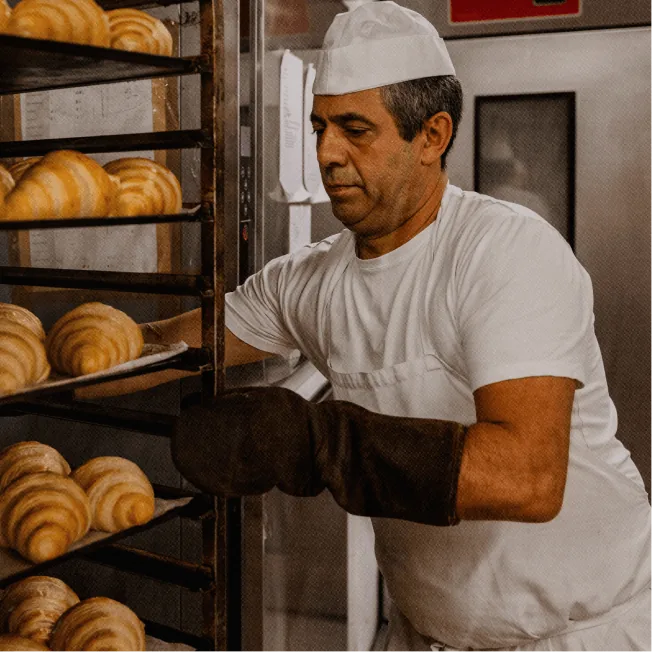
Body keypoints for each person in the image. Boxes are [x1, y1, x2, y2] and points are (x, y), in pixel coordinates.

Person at [86, 3, 652, 650]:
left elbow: (527, 477)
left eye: (355, 130)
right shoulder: (310, 282)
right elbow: (151, 350)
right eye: (321, 127)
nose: (328, 153)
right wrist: (47, 374)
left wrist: (318, 442)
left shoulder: (505, 253)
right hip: (425, 630)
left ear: (432, 137)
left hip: (580, 634)